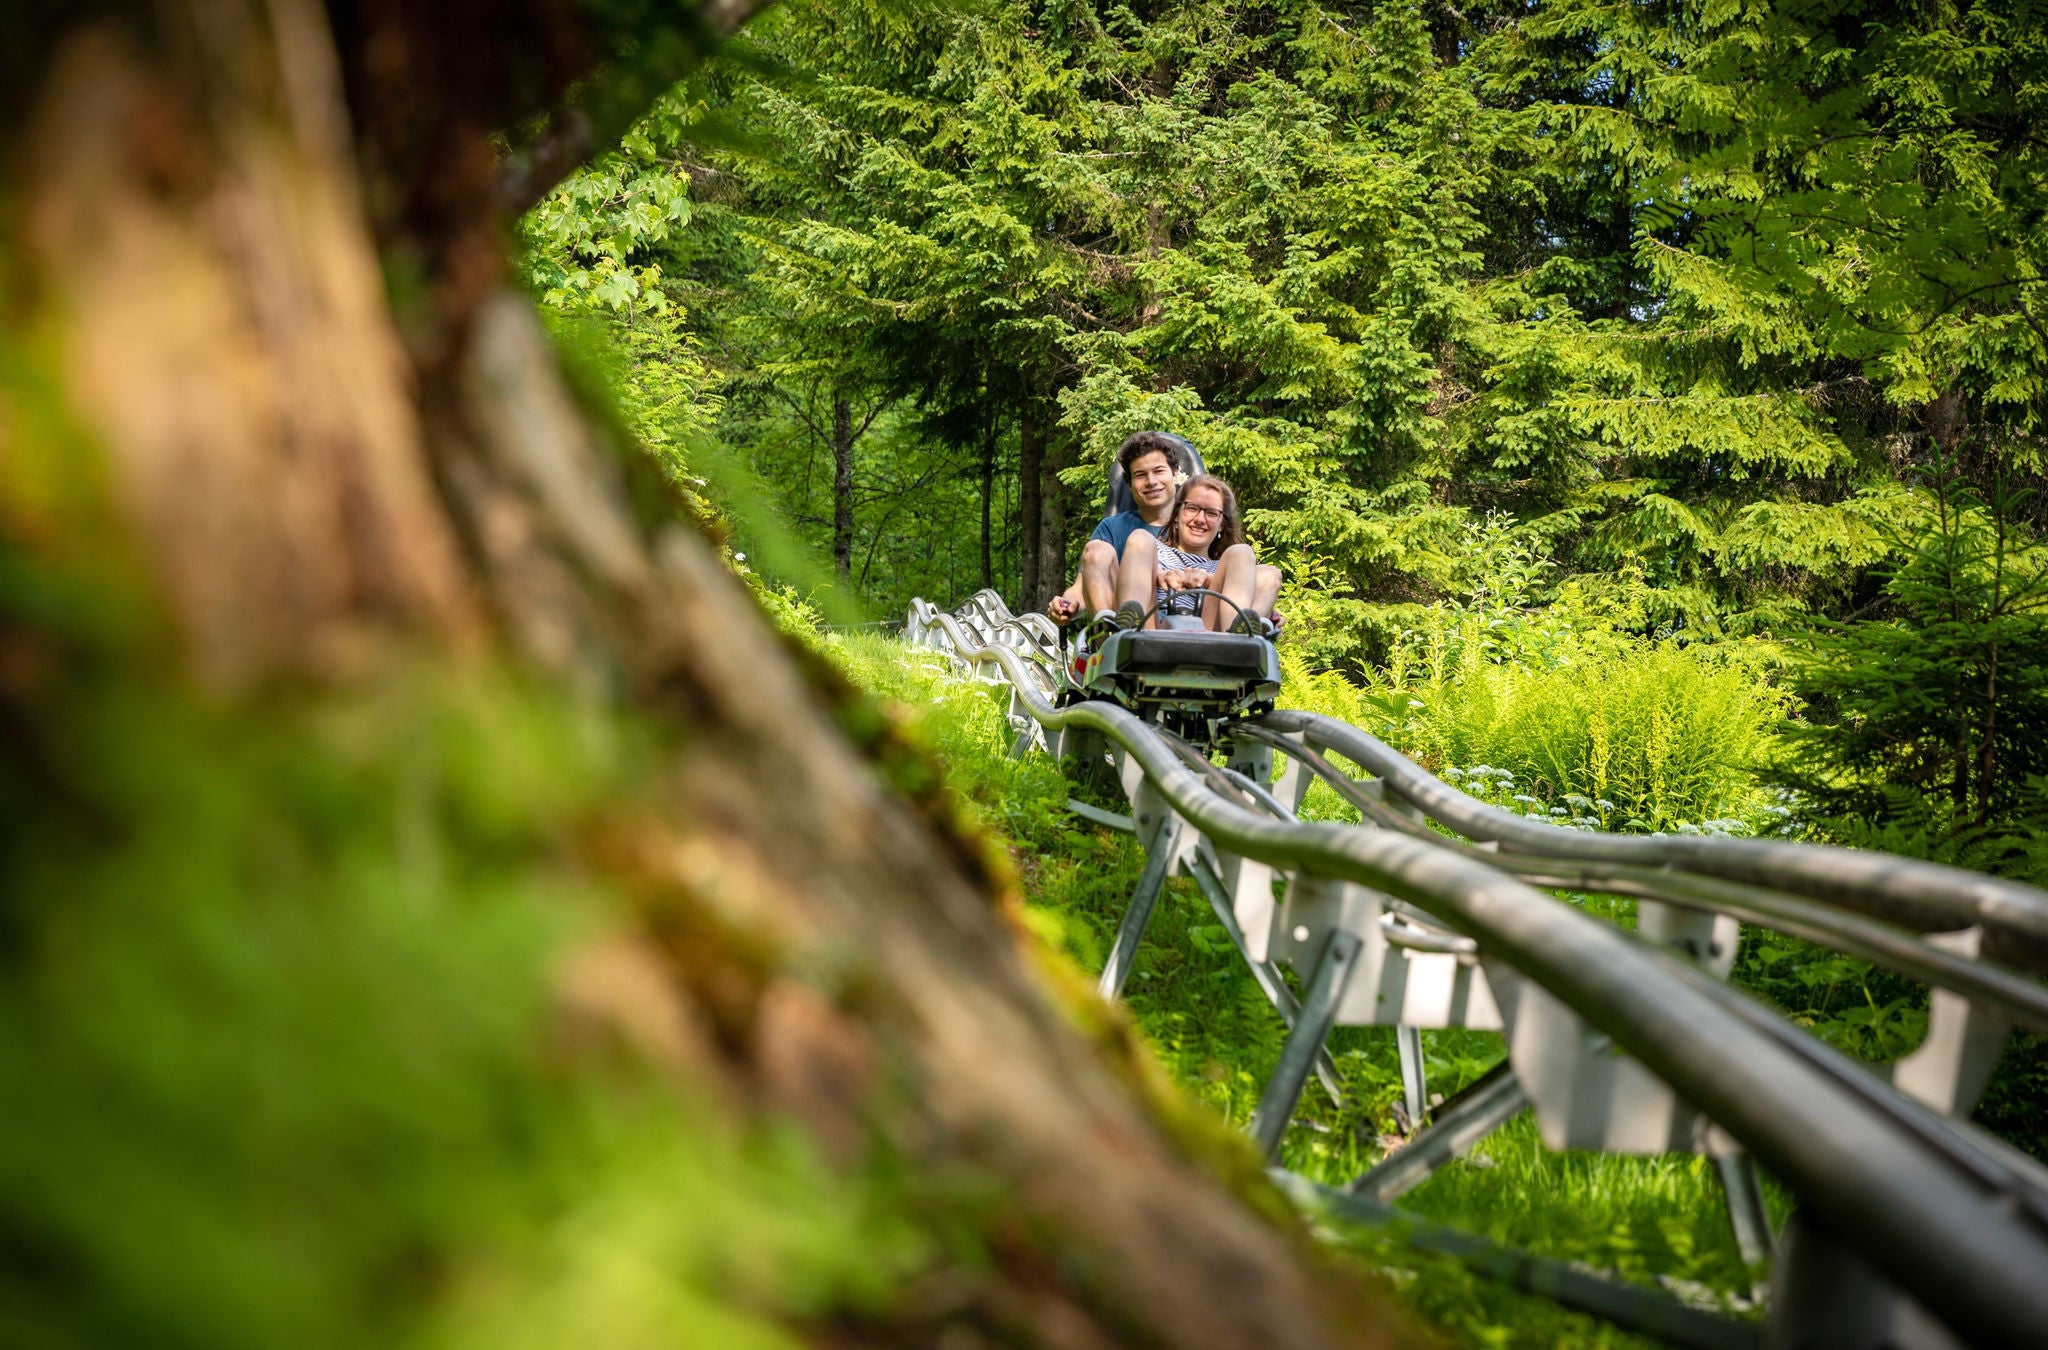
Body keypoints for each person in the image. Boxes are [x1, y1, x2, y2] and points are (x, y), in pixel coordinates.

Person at [1046, 431, 1283, 626]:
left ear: (1176, 474)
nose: (1151, 482)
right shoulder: (1118, 530)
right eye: (1141, 475)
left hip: (1207, 625)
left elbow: (1237, 578)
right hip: (1141, 618)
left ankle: (1243, 634)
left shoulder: (1204, 533)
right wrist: (1068, 606)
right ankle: (1116, 635)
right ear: (1129, 484)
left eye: (1159, 471)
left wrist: (1265, 612)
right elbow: (1083, 585)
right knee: (1124, 543)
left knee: (1263, 569)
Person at [1112, 474, 1266, 633]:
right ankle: (1128, 632)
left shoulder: (1229, 567)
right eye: (1192, 508)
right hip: (1150, 632)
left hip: (1211, 639)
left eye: (1212, 513)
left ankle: (1239, 637)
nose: (1200, 519)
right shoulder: (1151, 551)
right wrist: (1159, 576)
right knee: (1140, 537)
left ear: (1221, 525)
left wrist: (1209, 582)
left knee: (1243, 552)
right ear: (1177, 515)